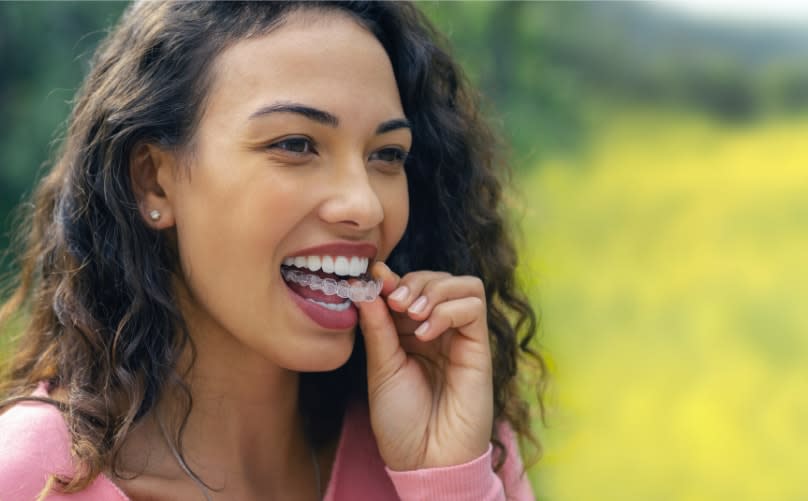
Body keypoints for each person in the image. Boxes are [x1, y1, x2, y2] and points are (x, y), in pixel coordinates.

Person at [0, 2, 547, 500]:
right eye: (295, 145)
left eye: (387, 154)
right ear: (154, 182)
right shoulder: (33, 478)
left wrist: (449, 483)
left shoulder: (451, 438)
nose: (365, 205)